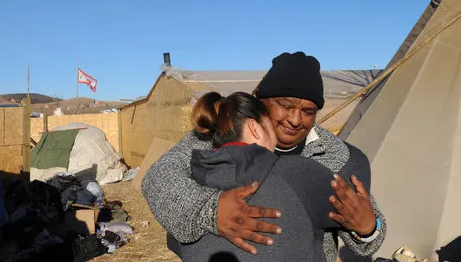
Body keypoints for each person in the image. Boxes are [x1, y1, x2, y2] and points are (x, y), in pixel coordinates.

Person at [142, 52, 386, 262]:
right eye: (285, 105)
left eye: (308, 111)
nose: (295, 119)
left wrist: (367, 229)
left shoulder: (337, 158)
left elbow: (368, 236)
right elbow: (157, 179)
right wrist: (210, 211)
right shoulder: (214, 137)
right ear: (261, 100)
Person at [167, 91, 372, 261]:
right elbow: (352, 215)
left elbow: (176, 241)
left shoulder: (189, 183)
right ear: (255, 128)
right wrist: (370, 227)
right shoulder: (303, 173)